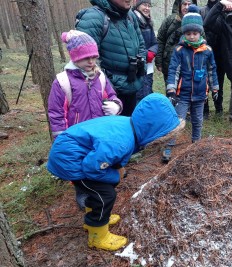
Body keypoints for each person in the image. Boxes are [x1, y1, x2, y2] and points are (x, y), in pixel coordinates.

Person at [47, 93, 184, 251]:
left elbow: (109, 157)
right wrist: (114, 175)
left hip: (80, 156)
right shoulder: (121, 141)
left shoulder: (129, 126)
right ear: (152, 129)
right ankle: (98, 236)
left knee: (100, 191)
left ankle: (94, 218)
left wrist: (117, 169)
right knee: (106, 195)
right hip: (71, 161)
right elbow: (91, 167)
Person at [48, 30, 123, 209]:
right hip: (77, 138)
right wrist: (62, 141)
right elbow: (56, 114)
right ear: (74, 57)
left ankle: (101, 198)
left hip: (99, 135)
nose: (91, 62)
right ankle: (85, 198)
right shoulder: (62, 82)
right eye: (85, 58)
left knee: (99, 165)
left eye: (94, 57)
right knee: (81, 169)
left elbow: (112, 96)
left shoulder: (101, 77)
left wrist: (116, 106)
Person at [76, 0, 146, 116]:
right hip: (107, 98)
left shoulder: (130, 16)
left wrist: (138, 69)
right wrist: (109, 91)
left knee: (129, 130)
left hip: (131, 88)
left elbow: (141, 45)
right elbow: (85, 63)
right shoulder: (93, 18)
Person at [166, 4, 219, 144]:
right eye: (188, 33)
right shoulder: (179, 50)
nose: (191, 36)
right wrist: (171, 89)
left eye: (194, 33)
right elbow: (173, 70)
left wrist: (215, 87)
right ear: (184, 34)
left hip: (200, 94)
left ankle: (196, 144)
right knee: (178, 120)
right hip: (182, 94)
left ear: (200, 33)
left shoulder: (207, 50)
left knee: (197, 120)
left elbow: (212, 70)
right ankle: (169, 146)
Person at [155, 0, 193, 85]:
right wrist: (159, 61)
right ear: (179, 5)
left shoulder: (196, 21)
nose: (186, 7)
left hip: (190, 66)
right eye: (184, 4)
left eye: (189, 4)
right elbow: (160, 40)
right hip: (170, 64)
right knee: (171, 93)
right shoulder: (170, 20)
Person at [200, 0, 225, 117]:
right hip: (205, 51)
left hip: (220, 52)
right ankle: (205, 109)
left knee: (219, 80)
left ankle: (218, 108)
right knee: (203, 79)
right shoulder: (202, 11)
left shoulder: (224, 10)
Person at [132, 0, 158, 103]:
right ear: (137, 6)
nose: (147, 8)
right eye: (144, 5)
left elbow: (155, 43)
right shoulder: (132, 21)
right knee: (139, 91)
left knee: (148, 86)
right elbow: (133, 44)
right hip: (137, 63)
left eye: (149, 5)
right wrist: (146, 54)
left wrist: (152, 52)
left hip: (149, 63)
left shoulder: (148, 23)